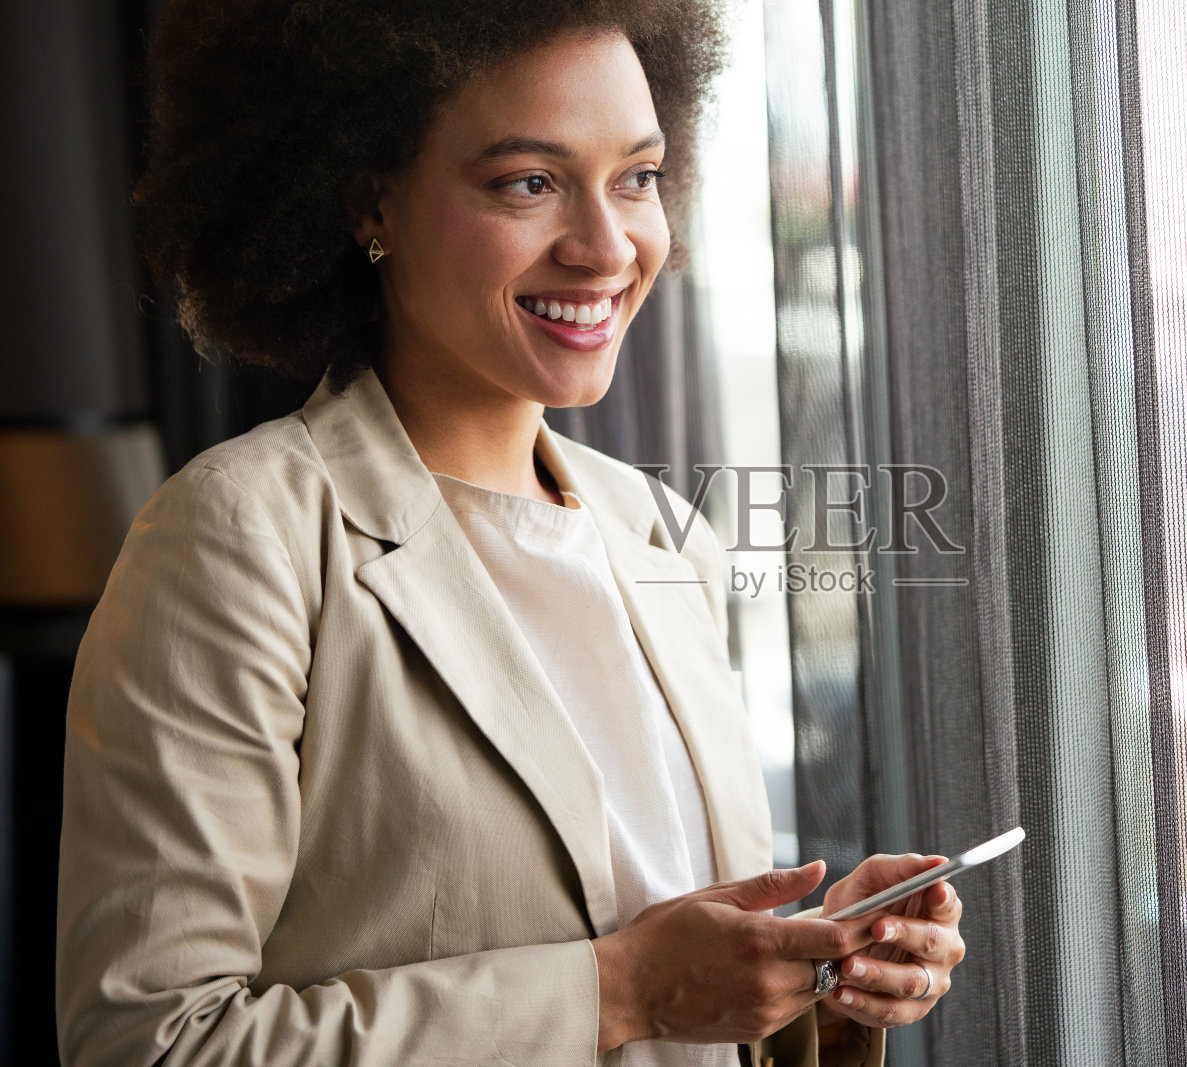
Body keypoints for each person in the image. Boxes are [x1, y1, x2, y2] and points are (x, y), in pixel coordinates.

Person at [54, 2, 966, 1065]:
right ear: (368, 200)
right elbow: (152, 1041)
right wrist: (618, 988)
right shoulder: (238, 539)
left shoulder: (664, 535)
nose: (606, 244)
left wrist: (817, 976)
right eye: (528, 182)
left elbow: (675, 992)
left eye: (637, 176)